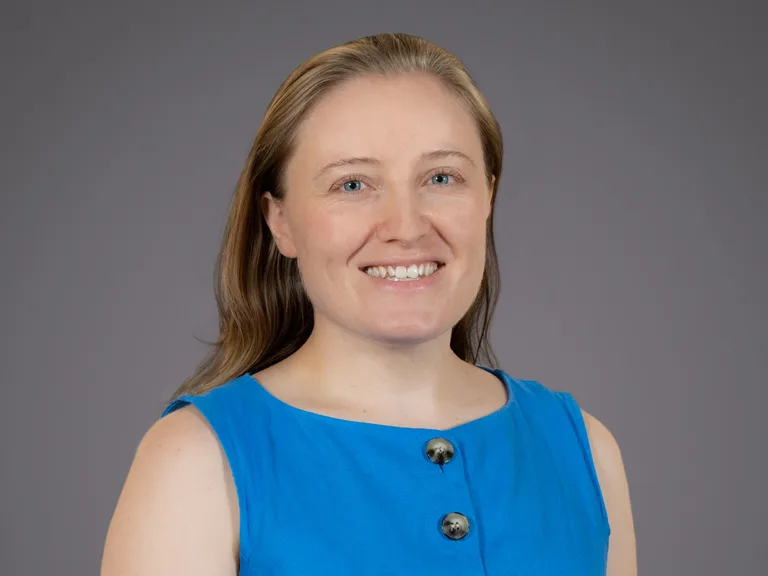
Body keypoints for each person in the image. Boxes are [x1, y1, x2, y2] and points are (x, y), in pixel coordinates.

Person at [101, 33, 636, 575]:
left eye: (442, 177)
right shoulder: (194, 462)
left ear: (488, 197)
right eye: (353, 183)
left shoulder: (586, 451)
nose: (405, 227)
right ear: (279, 221)